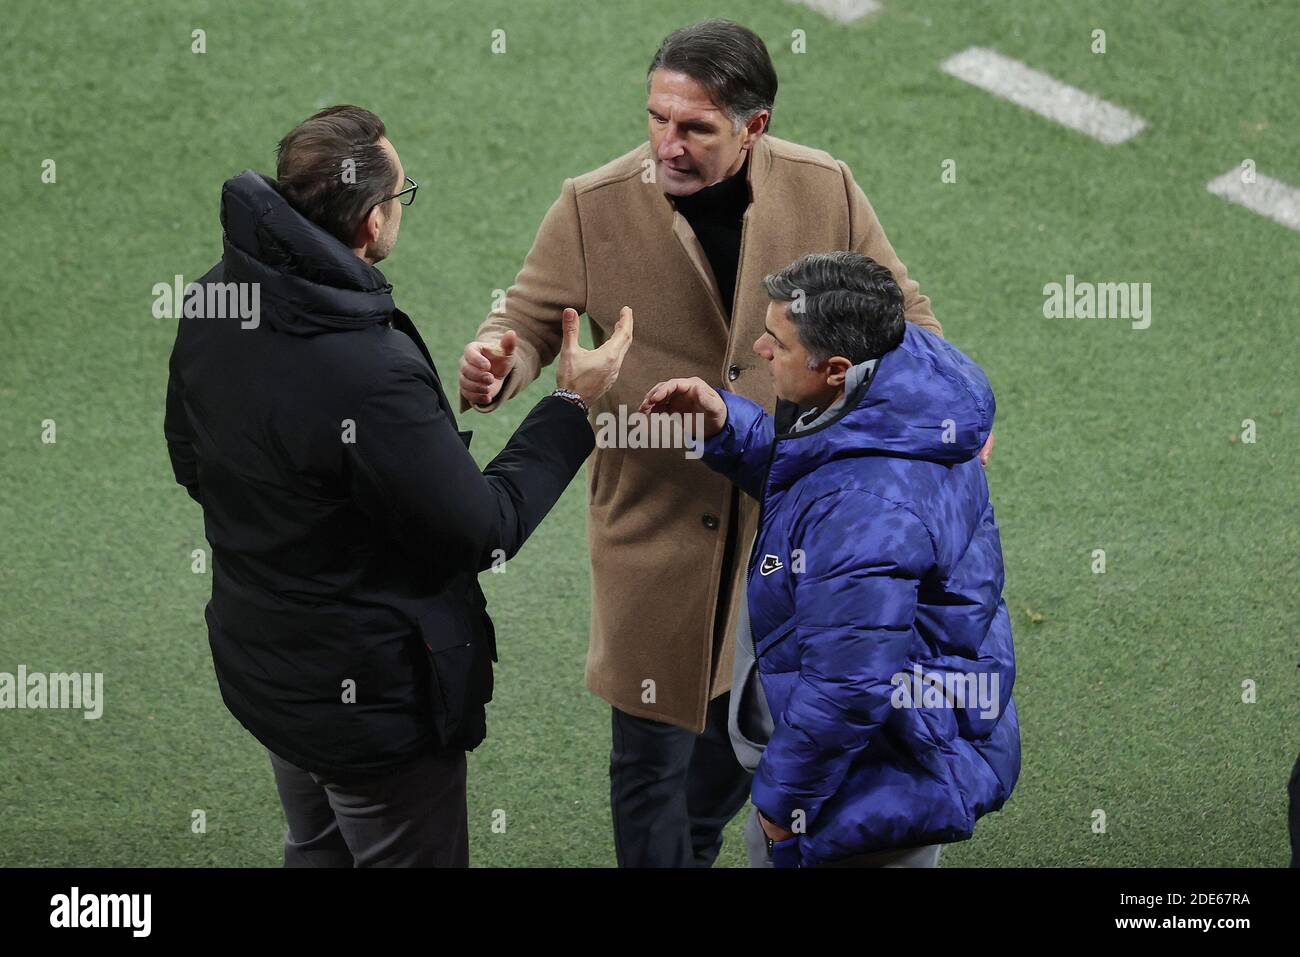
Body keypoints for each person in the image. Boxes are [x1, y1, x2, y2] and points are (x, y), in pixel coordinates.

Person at [457, 18, 973, 868]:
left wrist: (941, 419)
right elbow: (522, 320)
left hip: (781, 529)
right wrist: (496, 366)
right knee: (649, 768)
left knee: (731, 759)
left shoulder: (825, 189)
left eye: (695, 126)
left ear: (753, 126)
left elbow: (907, 319)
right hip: (652, 532)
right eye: (657, 118)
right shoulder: (592, 203)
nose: (668, 143)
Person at [164, 105, 632, 867]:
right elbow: (484, 527)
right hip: (370, 704)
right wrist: (573, 403)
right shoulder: (369, 373)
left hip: (267, 668)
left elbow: (191, 460)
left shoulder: (215, 298)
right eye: (401, 194)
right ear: (372, 221)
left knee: (315, 847)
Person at [639, 251, 1020, 867]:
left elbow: (848, 688)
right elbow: (823, 475)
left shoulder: (866, 512)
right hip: (891, 764)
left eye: (777, 343)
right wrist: (724, 424)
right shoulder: (907, 394)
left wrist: (781, 812)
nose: (759, 350)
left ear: (837, 369)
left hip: (853, 794)